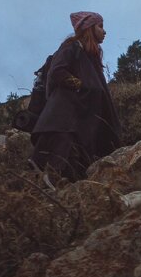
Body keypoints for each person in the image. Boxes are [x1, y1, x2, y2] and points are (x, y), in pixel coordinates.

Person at [31, 11, 121, 181]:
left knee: (77, 160)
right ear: (89, 28)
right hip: (65, 114)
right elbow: (57, 72)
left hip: (83, 117)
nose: (104, 31)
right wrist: (81, 85)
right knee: (60, 153)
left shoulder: (91, 56)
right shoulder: (71, 47)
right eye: (100, 26)